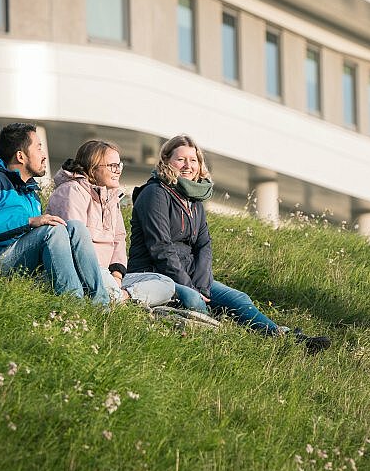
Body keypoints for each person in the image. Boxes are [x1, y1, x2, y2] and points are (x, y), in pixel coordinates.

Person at [127, 134, 331, 353]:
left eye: (193, 160)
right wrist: (190, 286)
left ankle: (288, 339)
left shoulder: (194, 200)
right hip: (156, 272)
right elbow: (161, 247)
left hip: (190, 274)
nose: (188, 165)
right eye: (181, 159)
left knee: (238, 298)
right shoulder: (155, 193)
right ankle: (207, 346)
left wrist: (202, 284)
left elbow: (204, 245)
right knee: (195, 300)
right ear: (166, 160)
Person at [0, 123, 109, 305]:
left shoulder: (29, 190)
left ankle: (101, 305)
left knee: (75, 227)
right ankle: (74, 305)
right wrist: (29, 221)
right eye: (39, 148)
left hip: (18, 258)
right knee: (51, 231)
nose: (44, 155)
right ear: (20, 156)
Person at [46, 140, 175, 305]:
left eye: (119, 165)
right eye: (112, 166)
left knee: (166, 283)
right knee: (108, 282)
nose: (118, 171)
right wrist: (106, 277)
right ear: (93, 168)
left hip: (109, 273)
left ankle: (121, 297)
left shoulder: (111, 197)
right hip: (87, 270)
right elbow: (74, 241)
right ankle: (117, 299)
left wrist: (116, 275)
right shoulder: (72, 190)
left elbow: (119, 239)